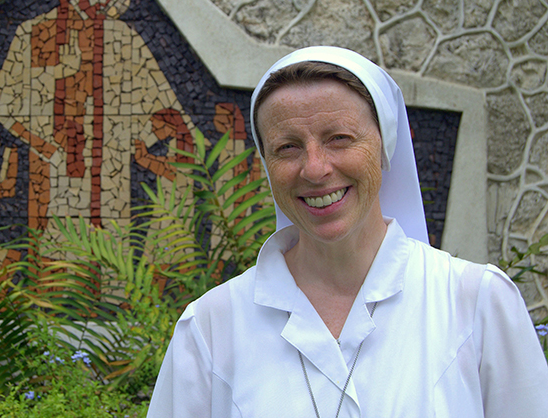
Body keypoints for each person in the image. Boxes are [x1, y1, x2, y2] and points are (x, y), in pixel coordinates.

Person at [147, 46, 548, 417]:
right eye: (287, 147)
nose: (315, 168)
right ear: (266, 164)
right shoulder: (210, 328)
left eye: (339, 139)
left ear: (384, 145)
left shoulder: (476, 303)